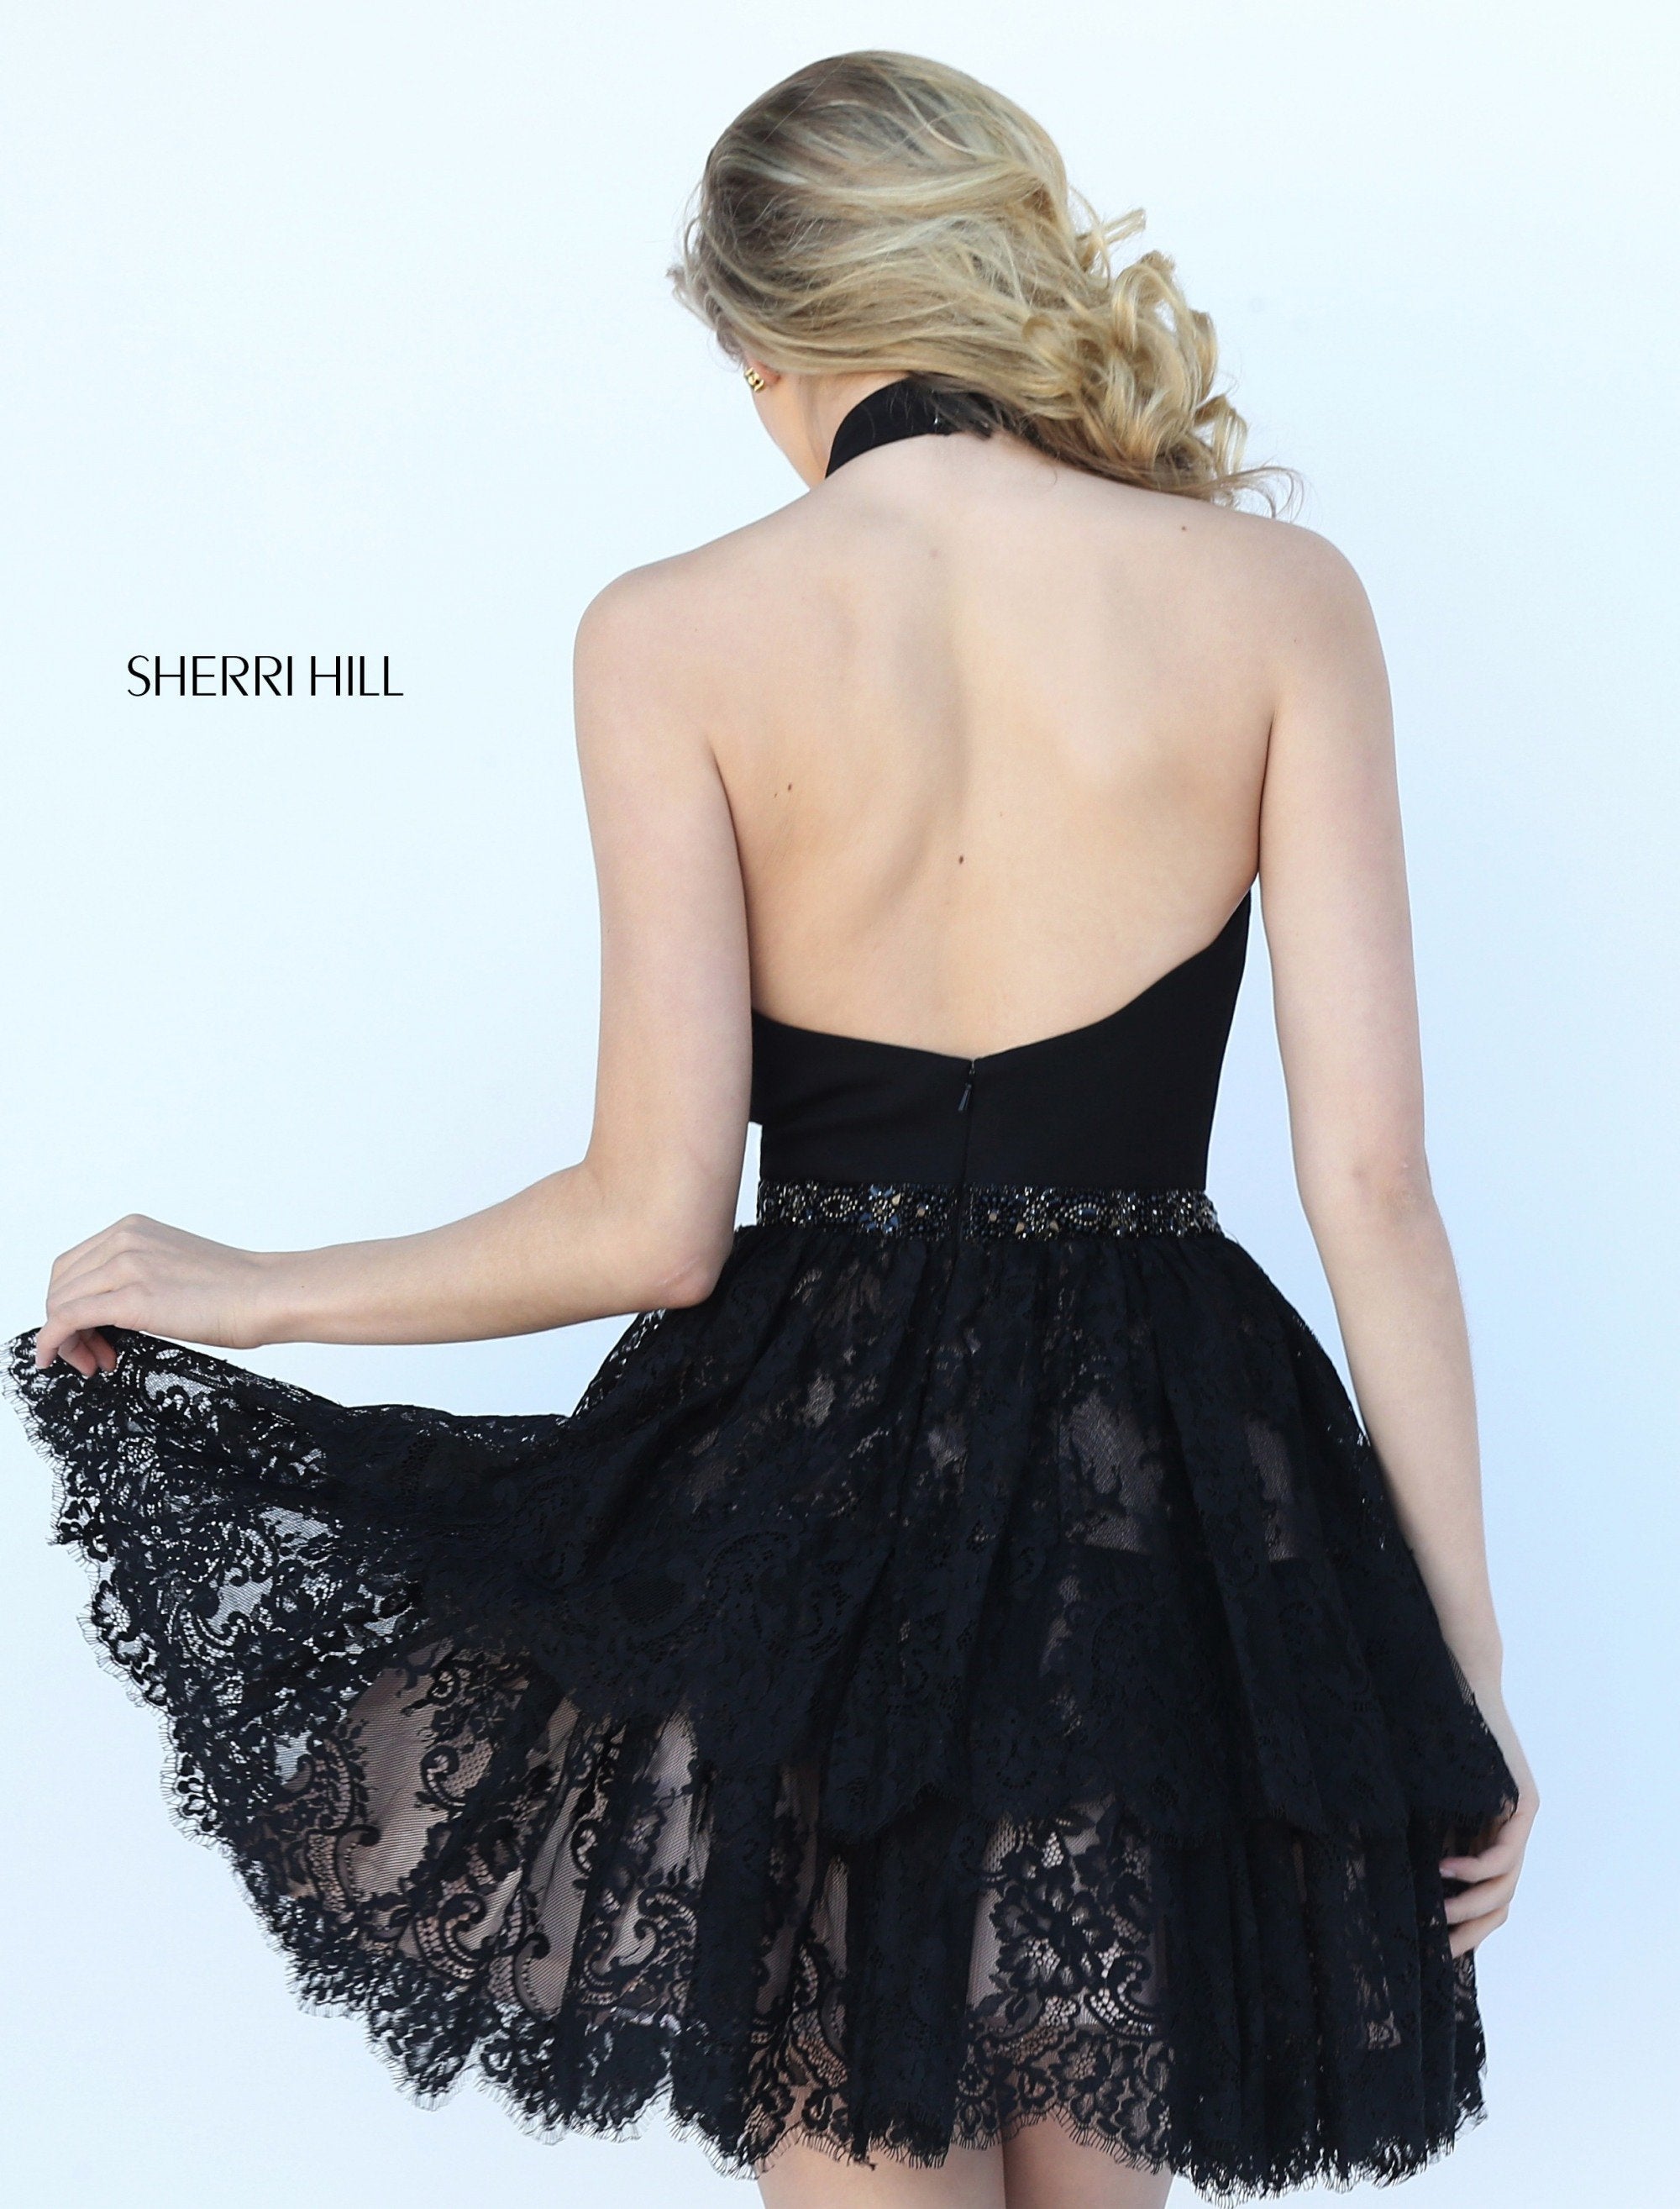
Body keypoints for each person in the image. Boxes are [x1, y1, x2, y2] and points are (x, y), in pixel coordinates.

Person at [7, 49, 1536, 2209]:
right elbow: (1370, 1183)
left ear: (767, 339)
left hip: (816, 1497)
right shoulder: (1278, 602)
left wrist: (249, 1288)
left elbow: (651, 1223)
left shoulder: (673, 634)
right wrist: (1457, 1672)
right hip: (1166, 1488)